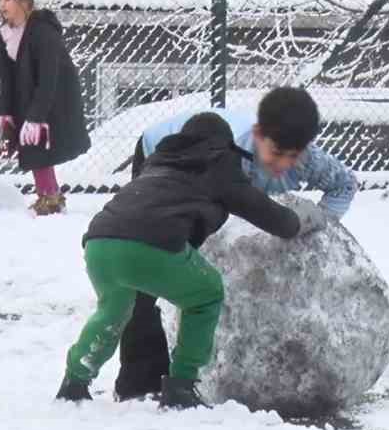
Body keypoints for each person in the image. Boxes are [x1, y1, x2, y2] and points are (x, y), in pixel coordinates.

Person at [111, 85, 358, 402]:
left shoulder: (310, 161)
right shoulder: (226, 156)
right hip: (163, 151)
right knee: (152, 261)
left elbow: (344, 185)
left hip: (214, 176)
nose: (283, 164)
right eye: (276, 153)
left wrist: (320, 228)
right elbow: (241, 210)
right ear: (257, 135)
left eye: (293, 157)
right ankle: (140, 382)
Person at [56, 112, 320, 408]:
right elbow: (274, 219)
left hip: (99, 244)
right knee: (206, 293)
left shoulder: (158, 163)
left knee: (113, 311)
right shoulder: (219, 167)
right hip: (150, 245)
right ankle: (181, 385)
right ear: (223, 146)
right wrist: (304, 220)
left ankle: (74, 382)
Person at [0, 0, 91, 216]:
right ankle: (48, 194)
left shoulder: (42, 31)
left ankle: (50, 197)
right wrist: (5, 111)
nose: (2, 4)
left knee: (38, 140)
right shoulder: (7, 34)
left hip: (56, 96)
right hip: (28, 95)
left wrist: (36, 115)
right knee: (33, 142)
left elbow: (49, 76)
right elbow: (6, 78)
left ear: (25, 1)